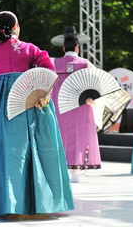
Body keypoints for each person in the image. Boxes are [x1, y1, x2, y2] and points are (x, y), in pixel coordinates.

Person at [0, 11, 74, 219]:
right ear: (16, 27)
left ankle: (6, 202)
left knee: (0, 150)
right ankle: (35, 201)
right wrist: (44, 93)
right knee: (32, 148)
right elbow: (49, 68)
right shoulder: (28, 48)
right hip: (27, 99)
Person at [50, 26, 101, 183]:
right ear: (77, 48)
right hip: (80, 107)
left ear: (64, 48)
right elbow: (96, 85)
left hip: (59, 107)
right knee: (79, 136)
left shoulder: (53, 63)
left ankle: (60, 169)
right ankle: (76, 171)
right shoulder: (86, 64)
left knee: (60, 136)